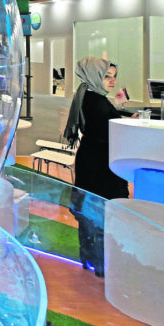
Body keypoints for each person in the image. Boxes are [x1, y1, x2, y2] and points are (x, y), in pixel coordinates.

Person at [63, 57, 130, 277]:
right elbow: (108, 131)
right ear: (95, 76)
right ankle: (101, 264)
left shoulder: (88, 95)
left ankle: (88, 257)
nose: (112, 81)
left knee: (88, 210)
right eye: (106, 76)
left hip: (90, 158)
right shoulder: (98, 102)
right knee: (103, 211)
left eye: (113, 76)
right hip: (100, 163)